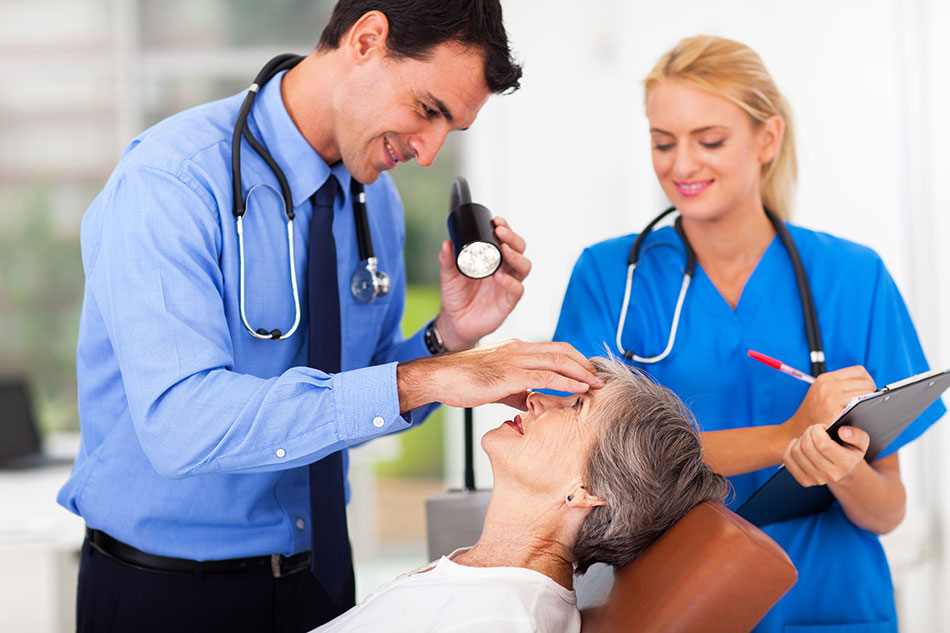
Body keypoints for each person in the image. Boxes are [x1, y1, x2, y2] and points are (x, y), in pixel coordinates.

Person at [57, 2, 604, 632]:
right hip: (168, 591)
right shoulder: (171, 182)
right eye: (428, 110)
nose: (428, 154)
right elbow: (181, 424)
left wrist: (447, 338)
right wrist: (427, 378)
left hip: (320, 578)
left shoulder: (375, 202)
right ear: (367, 39)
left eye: (450, 132)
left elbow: (354, 389)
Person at [553, 35, 946, 632]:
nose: (681, 165)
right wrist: (787, 436)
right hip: (678, 605)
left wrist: (842, 469)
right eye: (663, 143)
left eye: (709, 140)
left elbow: (888, 511)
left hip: (833, 607)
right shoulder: (612, 278)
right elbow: (585, 464)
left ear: (768, 139)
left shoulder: (853, 277)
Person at [312, 357, 729, 632]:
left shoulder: (502, 619)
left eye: (576, 408)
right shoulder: (483, 578)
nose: (536, 398)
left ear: (586, 491)